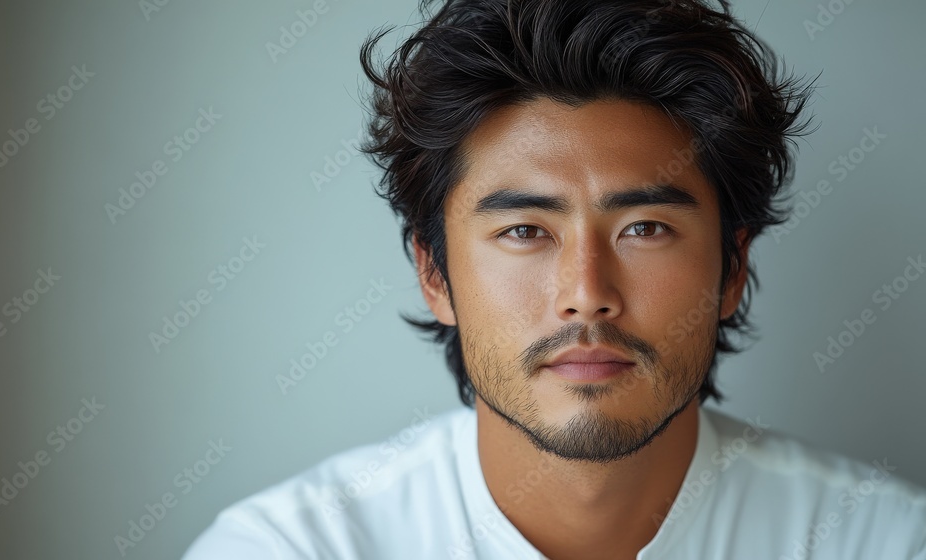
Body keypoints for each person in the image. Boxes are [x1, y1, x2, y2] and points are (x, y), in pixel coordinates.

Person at [184, 0, 926, 558]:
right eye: (524, 231)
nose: (586, 291)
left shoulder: (877, 540)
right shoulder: (290, 549)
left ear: (733, 269)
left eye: (645, 228)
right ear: (434, 274)